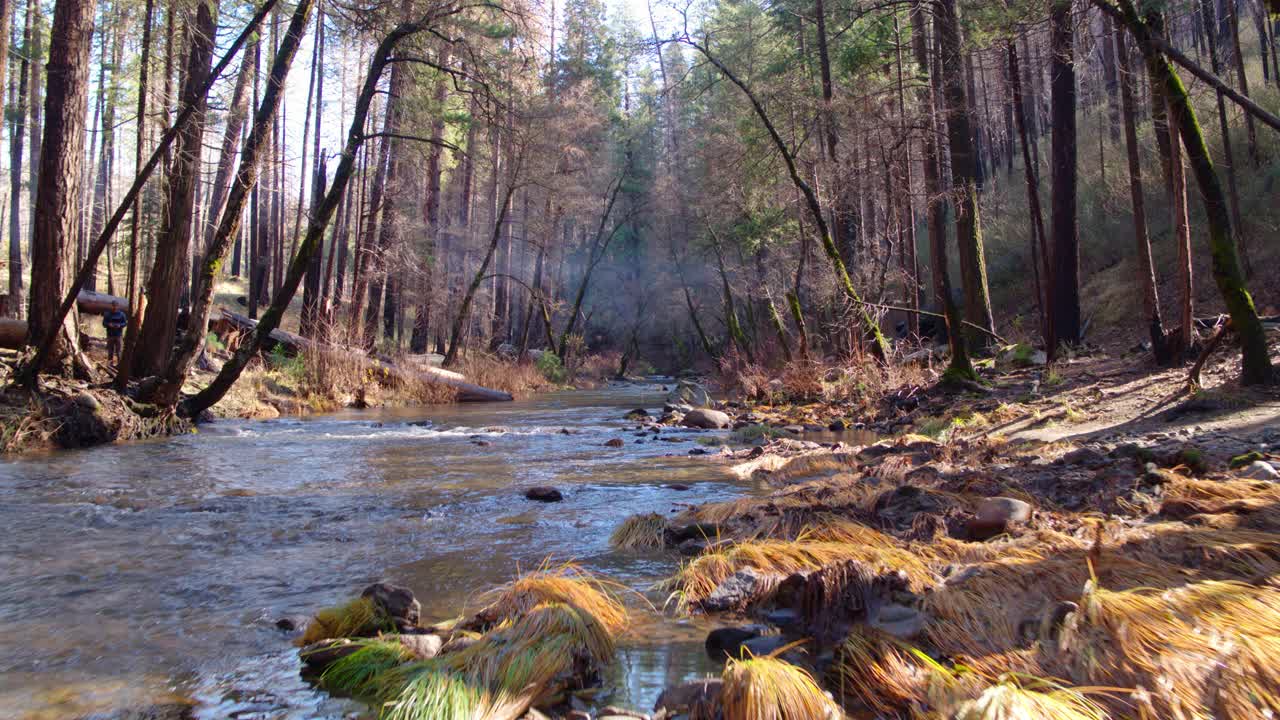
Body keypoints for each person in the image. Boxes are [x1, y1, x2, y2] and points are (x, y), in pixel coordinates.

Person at [102, 300, 128, 367]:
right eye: (113, 306)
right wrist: (109, 324)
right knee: (110, 351)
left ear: (118, 306)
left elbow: (125, 323)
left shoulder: (122, 314)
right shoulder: (107, 314)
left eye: (116, 306)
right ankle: (110, 365)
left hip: (118, 335)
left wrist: (120, 325)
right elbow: (104, 324)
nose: (114, 307)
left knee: (119, 351)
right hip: (110, 335)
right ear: (111, 306)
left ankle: (119, 365)